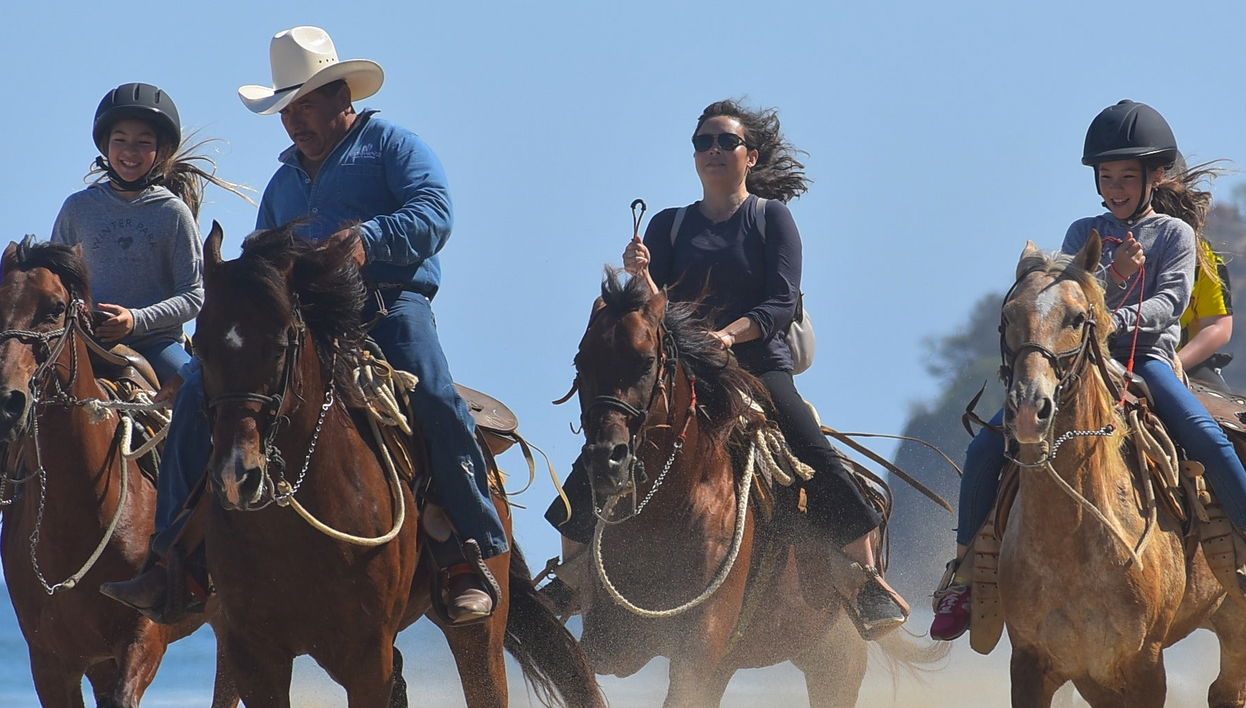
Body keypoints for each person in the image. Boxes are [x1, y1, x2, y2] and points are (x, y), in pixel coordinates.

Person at [102, 26, 507, 624]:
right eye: (286, 109)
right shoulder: (283, 182)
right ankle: (175, 562)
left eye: (307, 104)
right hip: (304, 323)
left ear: (343, 97)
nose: (295, 120)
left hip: (389, 306)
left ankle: (467, 553)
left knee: (435, 396)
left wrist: (368, 240)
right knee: (199, 395)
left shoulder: (392, 145)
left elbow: (435, 211)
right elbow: (262, 263)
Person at [543, 99, 910, 639]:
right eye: (702, 143)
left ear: (750, 156)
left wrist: (728, 335)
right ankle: (573, 578)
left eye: (724, 142)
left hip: (757, 366)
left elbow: (782, 302)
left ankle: (865, 581)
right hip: (683, 371)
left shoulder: (771, 219)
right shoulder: (668, 225)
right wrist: (638, 278)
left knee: (813, 451)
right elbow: (650, 315)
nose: (712, 151)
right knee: (602, 446)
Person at [930, 99, 1246, 641]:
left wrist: (1111, 308)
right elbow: (1069, 297)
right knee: (986, 446)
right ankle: (963, 573)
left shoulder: (1175, 235)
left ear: (1156, 176)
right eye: (1106, 176)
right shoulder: (1083, 230)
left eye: (1127, 176)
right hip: (1083, 363)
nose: (1115, 187)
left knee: (1205, 434)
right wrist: (1110, 279)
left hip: (1147, 359)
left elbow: (1170, 304)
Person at [51, 82, 246, 395]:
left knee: (199, 390)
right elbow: (56, 283)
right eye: (120, 140)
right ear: (105, 145)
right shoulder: (77, 209)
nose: (130, 151)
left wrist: (135, 319)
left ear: (161, 150)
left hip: (156, 344)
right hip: (85, 341)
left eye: (143, 142)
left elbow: (194, 296)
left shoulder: (172, 212)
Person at [1179, 235, 1233, 392]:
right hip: (1113, 357)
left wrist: (1174, 365)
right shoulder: (1108, 242)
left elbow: (1218, 326)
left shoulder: (1204, 257)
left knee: (1226, 413)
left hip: (1186, 363)